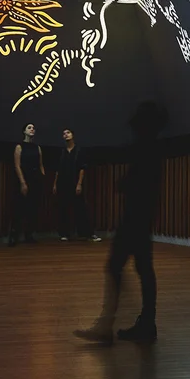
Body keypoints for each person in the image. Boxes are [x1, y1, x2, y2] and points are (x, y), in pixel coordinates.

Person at [75, 101, 167, 344]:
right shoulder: (152, 148)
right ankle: (146, 323)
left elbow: (131, 173)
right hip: (142, 217)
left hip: (135, 217)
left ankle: (107, 326)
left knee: (117, 266)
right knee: (142, 269)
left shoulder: (145, 148)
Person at [52, 128, 101, 242]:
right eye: (64, 133)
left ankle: (89, 234)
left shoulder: (79, 150)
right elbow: (58, 170)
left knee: (81, 208)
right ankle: (64, 233)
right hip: (63, 183)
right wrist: (55, 184)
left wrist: (79, 184)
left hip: (74, 182)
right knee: (63, 208)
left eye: (68, 132)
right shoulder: (62, 152)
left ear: (73, 135)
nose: (66, 135)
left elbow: (82, 169)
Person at [8, 122, 46, 246]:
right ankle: (14, 236)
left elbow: (40, 164)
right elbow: (17, 165)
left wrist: (42, 177)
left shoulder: (37, 147)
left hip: (36, 180)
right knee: (19, 208)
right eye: (29, 128)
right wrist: (22, 182)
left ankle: (29, 234)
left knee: (33, 209)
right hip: (24, 178)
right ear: (24, 131)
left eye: (33, 128)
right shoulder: (19, 147)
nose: (32, 129)